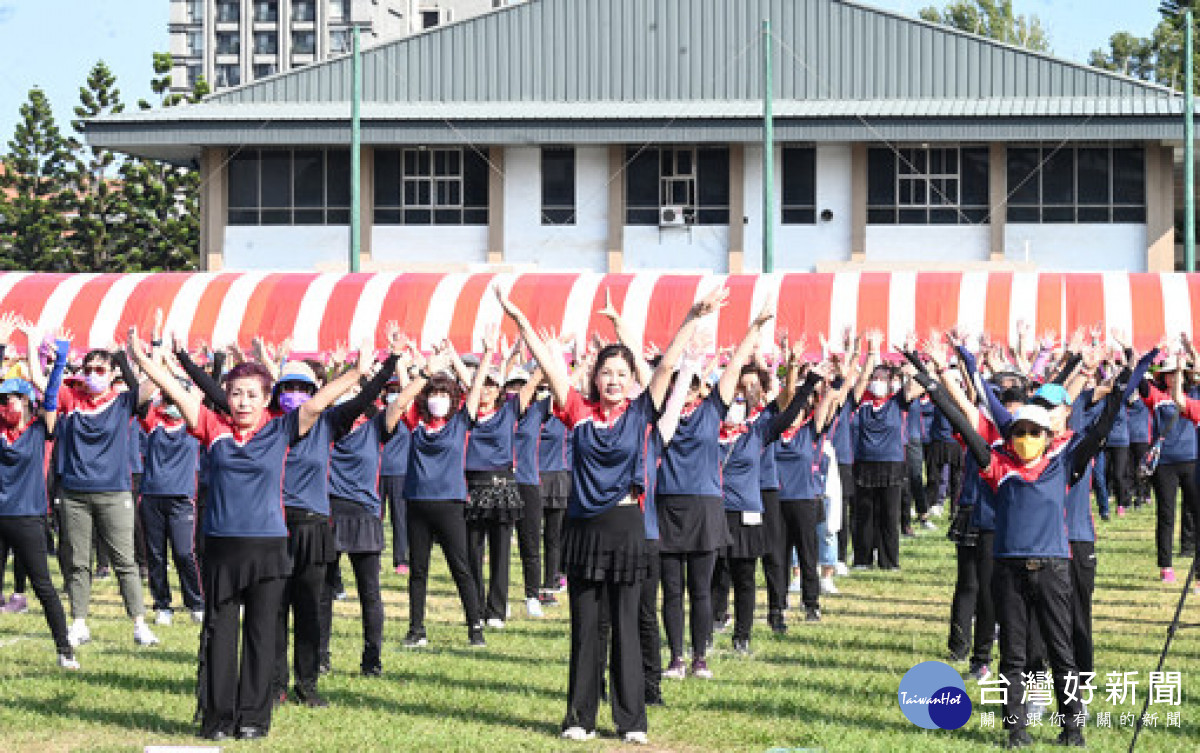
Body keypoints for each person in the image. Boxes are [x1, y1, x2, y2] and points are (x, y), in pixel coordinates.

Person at [497, 282, 727, 745]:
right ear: (596, 378)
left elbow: (664, 367)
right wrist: (520, 321)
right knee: (586, 630)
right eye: (607, 373)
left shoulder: (643, 412)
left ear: (631, 381)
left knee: (625, 627)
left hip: (628, 531)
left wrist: (691, 317)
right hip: (584, 531)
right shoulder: (577, 411)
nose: (614, 380)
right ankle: (579, 716)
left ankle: (631, 721)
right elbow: (548, 365)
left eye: (622, 373)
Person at [128, 326, 370, 741]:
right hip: (221, 550)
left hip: (269, 550)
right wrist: (146, 358)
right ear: (227, 395)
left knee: (262, 634)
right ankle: (219, 719)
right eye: (236, 393)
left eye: (252, 395)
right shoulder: (211, 428)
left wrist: (357, 372)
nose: (243, 402)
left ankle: (254, 719)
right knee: (220, 634)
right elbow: (178, 391)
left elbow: (319, 402)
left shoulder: (281, 431)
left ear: (266, 398)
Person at [911, 341, 1155, 748]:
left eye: (1034, 432)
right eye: (1020, 431)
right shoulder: (997, 464)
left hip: (1055, 568)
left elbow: (1104, 421)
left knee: (1062, 652)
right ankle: (1016, 729)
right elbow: (965, 421)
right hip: (1008, 569)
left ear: (1046, 435)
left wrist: (1134, 374)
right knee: (1014, 655)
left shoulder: (1065, 463)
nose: (1026, 438)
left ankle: (1073, 727)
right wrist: (929, 381)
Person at [56, 337, 159, 648]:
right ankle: (79, 622)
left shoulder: (123, 401)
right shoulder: (72, 399)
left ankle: (139, 624)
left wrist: (142, 352)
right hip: (75, 493)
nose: (92, 374)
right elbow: (41, 380)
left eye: (100, 369)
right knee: (78, 561)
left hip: (115, 493)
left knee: (125, 561)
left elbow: (152, 382)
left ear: (113, 372)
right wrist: (50, 351)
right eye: (88, 369)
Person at [388, 342, 488, 648]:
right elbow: (403, 399)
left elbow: (475, 389)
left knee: (461, 567)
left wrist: (485, 358)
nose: (438, 400)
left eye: (444, 394)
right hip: (417, 504)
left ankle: (475, 628)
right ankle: (416, 629)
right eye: (433, 394)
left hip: (451, 505)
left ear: (452, 399)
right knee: (418, 571)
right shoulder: (415, 425)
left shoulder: (459, 423)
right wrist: (404, 364)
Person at [318, 330, 404, 678]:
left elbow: (397, 403)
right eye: (345, 393)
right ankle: (319, 656)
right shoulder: (324, 427)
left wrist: (396, 363)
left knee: (370, 592)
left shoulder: (376, 426)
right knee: (322, 591)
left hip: (365, 515)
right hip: (329, 514)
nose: (351, 398)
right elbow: (322, 397)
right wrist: (342, 371)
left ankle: (372, 659)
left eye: (356, 392)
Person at [0, 319, 76, 668]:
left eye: (15, 398)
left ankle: (64, 650)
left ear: (27, 402)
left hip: (28, 519)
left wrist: (57, 357)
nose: (9, 404)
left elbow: (50, 397)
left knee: (44, 588)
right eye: (4, 398)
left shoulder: (37, 430)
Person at [137, 379, 205, 627]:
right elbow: (141, 395)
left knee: (184, 553)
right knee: (156, 555)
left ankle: (196, 603)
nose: (172, 405)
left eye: (176, 400)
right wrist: (156, 360)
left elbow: (205, 392)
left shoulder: (193, 423)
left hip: (182, 499)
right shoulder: (154, 421)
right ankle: (162, 604)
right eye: (168, 399)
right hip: (152, 497)